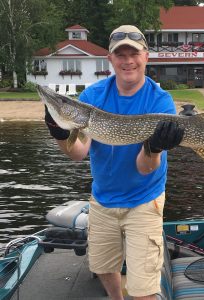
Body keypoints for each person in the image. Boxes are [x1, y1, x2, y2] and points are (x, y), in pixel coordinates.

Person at [44, 25, 184, 300]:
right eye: (120, 54)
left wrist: (154, 146)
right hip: (103, 200)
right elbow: (78, 152)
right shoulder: (92, 98)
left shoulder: (160, 102)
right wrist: (60, 133)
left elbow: (146, 168)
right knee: (103, 266)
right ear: (110, 59)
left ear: (146, 57)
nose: (127, 60)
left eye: (134, 53)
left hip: (144, 200)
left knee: (144, 292)